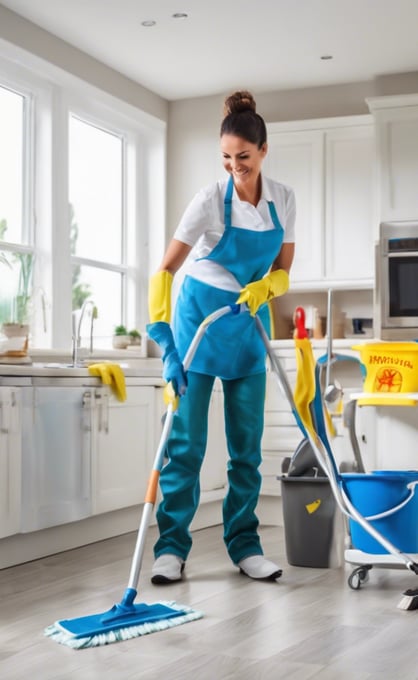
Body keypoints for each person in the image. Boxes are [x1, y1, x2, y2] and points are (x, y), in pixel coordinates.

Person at [146, 90, 295, 583]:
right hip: (198, 324)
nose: (236, 167)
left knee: (246, 448)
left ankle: (245, 544)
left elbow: (283, 272)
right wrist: (165, 341)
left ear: (264, 150)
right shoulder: (209, 199)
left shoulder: (285, 200)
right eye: (227, 158)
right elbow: (166, 270)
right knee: (186, 444)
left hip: (248, 326)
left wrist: (267, 286)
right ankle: (171, 548)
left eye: (244, 158)